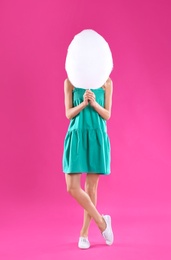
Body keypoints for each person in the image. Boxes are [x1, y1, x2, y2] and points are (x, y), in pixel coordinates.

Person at [62, 77, 114, 249]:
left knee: (91, 188)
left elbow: (107, 114)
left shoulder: (107, 82)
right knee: (72, 187)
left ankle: (84, 234)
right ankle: (102, 222)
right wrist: (83, 103)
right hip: (76, 136)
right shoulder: (70, 81)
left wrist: (93, 103)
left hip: (96, 135)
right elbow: (68, 113)